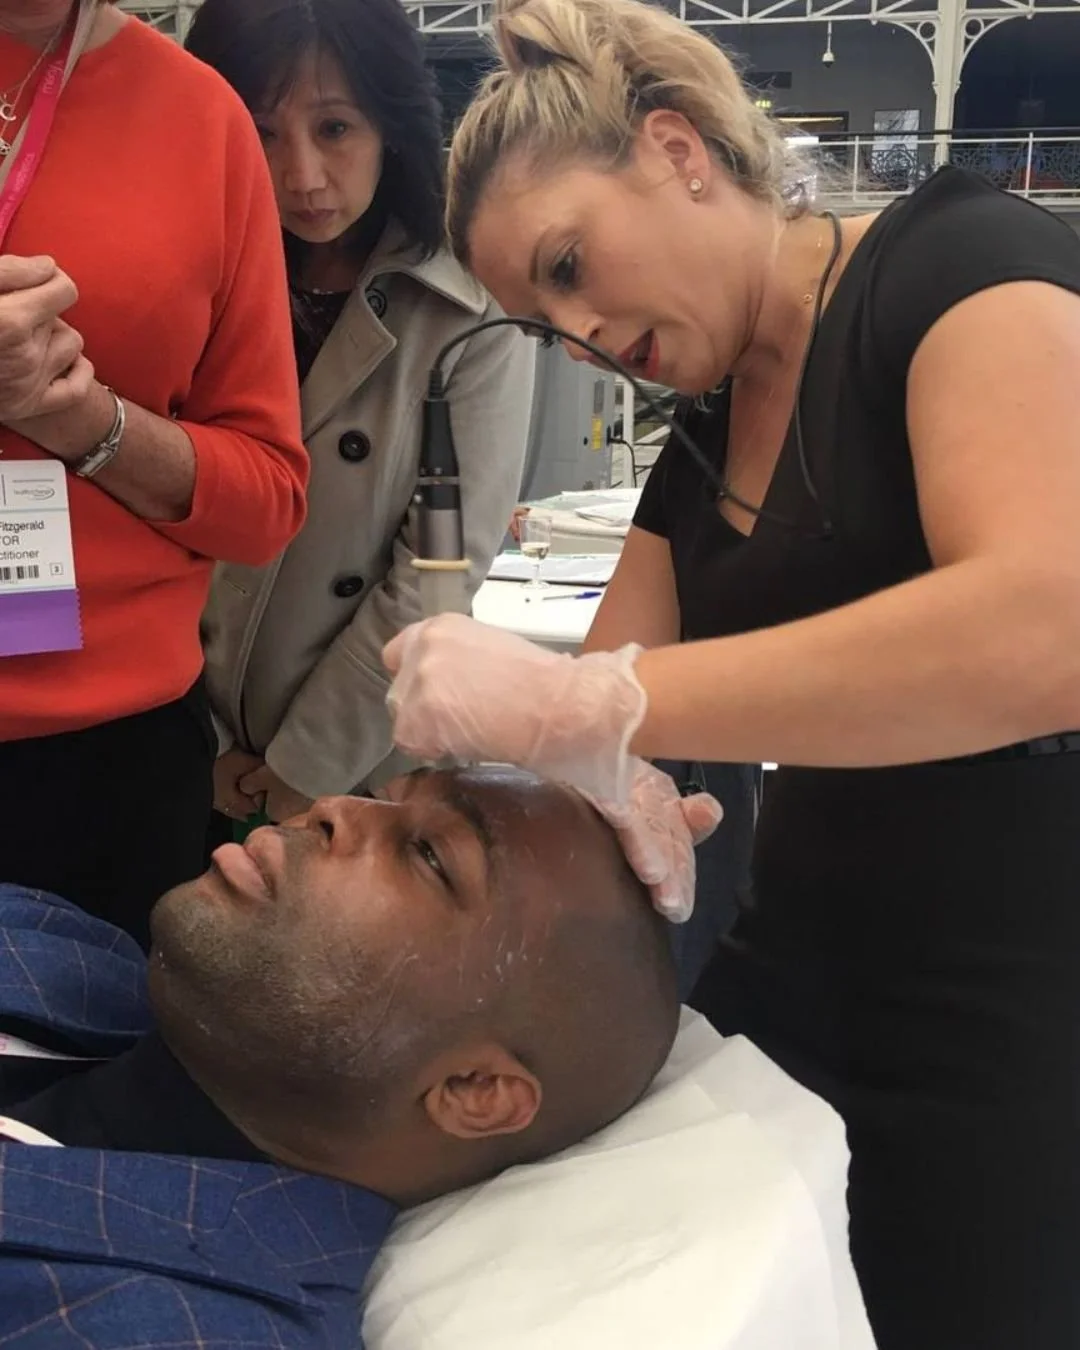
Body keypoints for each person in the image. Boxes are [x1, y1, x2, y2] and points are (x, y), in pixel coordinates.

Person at [381, 0, 1080, 1344]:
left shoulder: (966, 269)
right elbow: (599, 702)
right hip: (801, 968)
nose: (578, 331)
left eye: (572, 263)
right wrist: (556, 774)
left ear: (679, 146)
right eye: (543, 320)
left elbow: (1048, 629)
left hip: (1020, 1003)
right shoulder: (701, 430)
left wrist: (607, 707)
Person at [0, 766, 677, 1347]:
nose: (335, 808)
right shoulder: (65, 942)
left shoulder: (176, 1327)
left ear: (473, 1087)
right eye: (384, 795)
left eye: (431, 855)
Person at [0, 0, 309, 948]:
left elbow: (266, 500)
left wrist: (80, 418)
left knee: (91, 1095)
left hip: (109, 774)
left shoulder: (200, 121)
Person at [186, 0, 534, 833]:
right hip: (190, 752)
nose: (301, 175)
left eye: (335, 128)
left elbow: (439, 574)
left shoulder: (464, 306)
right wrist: (198, 744)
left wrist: (305, 764)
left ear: (392, 122)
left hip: (370, 768)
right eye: (262, 133)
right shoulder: (190, 281)